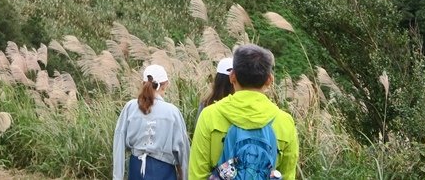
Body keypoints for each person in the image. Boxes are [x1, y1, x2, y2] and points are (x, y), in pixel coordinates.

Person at [189, 44, 299, 180]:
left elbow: (197, 174)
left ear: (232, 76)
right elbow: (287, 175)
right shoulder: (285, 122)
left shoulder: (209, 115)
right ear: (269, 80)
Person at [113, 64, 190, 180]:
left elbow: (118, 142)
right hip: (164, 172)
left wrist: (117, 177)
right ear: (165, 84)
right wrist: (185, 176)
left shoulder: (130, 108)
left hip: (136, 170)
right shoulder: (172, 112)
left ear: (143, 83)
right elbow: (182, 150)